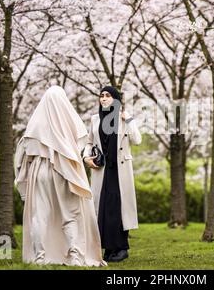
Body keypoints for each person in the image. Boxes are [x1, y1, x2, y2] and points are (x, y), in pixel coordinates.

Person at [14, 85, 106, 267]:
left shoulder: (34, 124)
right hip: (66, 171)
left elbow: (21, 158)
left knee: (40, 215)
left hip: (39, 171)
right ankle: (75, 256)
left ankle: (39, 257)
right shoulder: (69, 121)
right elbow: (82, 145)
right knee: (70, 214)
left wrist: (22, 182)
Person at [83, 86, 141, 262]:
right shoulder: (94, 119)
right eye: (101, 96)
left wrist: (129, 119)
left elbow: (137, 140)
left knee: (119, 208)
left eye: (108, 96)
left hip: (120, 170)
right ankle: (108, 249)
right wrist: (86, 157)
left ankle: (122, 248)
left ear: (115, 99)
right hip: (103, 170)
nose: (104, 99)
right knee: (104, 209)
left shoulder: (124, 117)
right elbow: (88, 142)